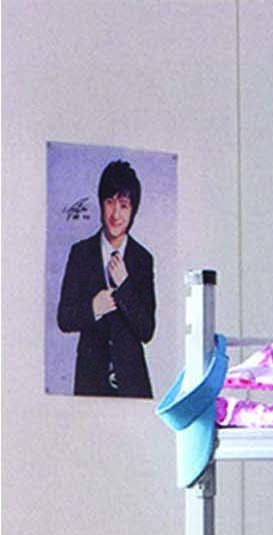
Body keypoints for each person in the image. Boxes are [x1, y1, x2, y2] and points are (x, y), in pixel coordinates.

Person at [56, 159, 156, 397]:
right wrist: (93, 307)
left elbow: (147, 330)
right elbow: (64, 318)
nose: (116, 214)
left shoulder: (142, 258)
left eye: (124, 205)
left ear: (133, 210)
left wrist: (124, 286)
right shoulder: (81, 253)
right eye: (109, 202)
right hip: (90, 379)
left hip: (132, 382)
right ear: (101, 203)